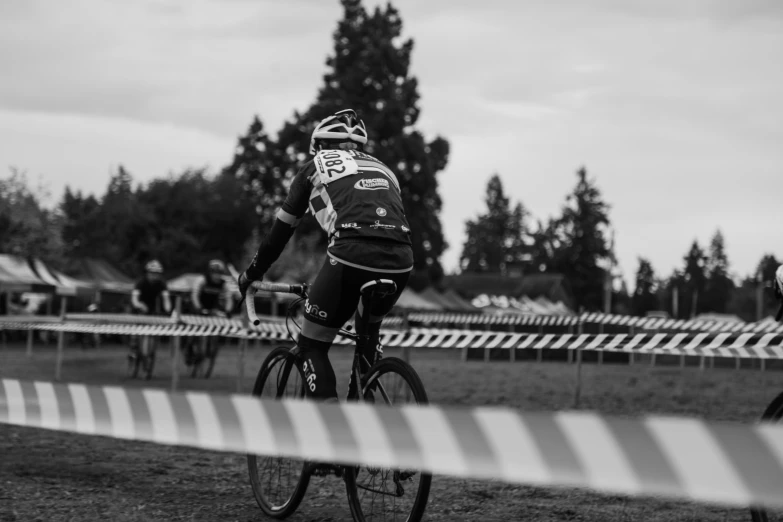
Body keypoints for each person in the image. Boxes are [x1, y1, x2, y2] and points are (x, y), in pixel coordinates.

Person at [238, 108, 413, 401]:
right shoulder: (385, 169)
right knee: (367, 329)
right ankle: (364, 397)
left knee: (312, 345)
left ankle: (333, 432)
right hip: (402, 258)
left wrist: (253, 272)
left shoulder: (313, 167)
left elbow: (279, 233)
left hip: (351, 253)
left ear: (318, 146)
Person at [129, 259, 171, 362]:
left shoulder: (161, 284)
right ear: (147, 273)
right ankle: (133, 349)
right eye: (152, 273)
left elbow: (166, 299)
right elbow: (134, 299)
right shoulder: (140, 282)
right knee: (136, 328)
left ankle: (149, 351)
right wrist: (139, 305)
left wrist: (168, 310)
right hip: (138, 306)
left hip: (152, 308)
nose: (154, 276)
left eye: (157, 274)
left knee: (153, 329)